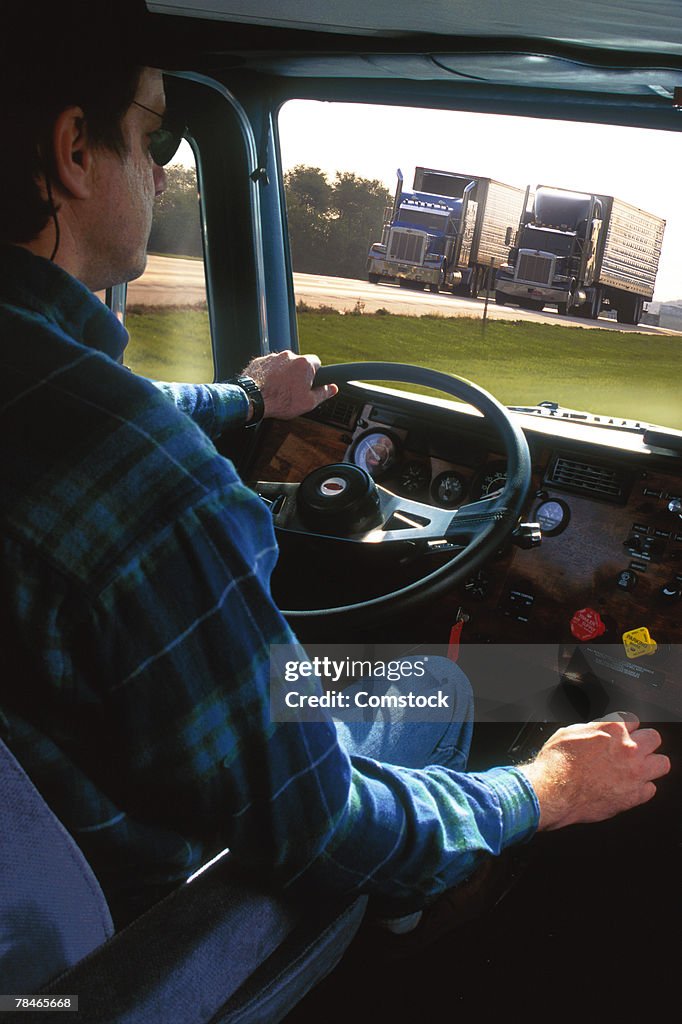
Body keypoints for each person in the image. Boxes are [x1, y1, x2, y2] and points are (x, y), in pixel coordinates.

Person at [0, 2, 669, 953]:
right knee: (439, 684)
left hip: (45, 858)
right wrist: (545, 790)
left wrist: (243, 401)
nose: (160, 169)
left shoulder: (60, 407)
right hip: (152, 903)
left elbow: (117, 418)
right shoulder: (141, 480)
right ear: (73, 150)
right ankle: (406, 926)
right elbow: (317, 825)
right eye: (155, 132)